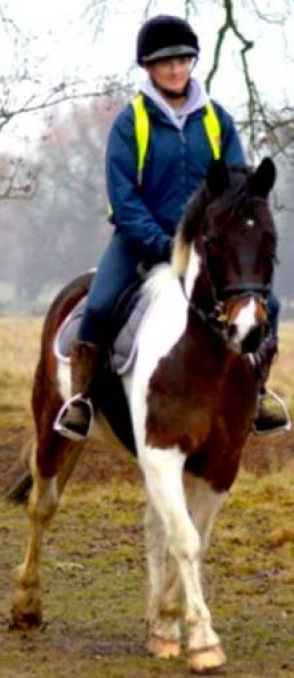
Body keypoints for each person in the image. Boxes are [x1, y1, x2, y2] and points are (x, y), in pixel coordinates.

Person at [55, 14, 289, 440]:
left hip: (207, 248)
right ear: (148, 68)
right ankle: (82, 399)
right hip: (140, 241)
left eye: (183, 60)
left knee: (267, 306)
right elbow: (123, 200)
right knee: (102, 304)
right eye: (166, 63)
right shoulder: (131, 123)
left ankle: (257, 393)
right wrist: (163, 243)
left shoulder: (218, 119)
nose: (176, 69)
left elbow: (237, 188)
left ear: (193, 62)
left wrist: (211, 244)